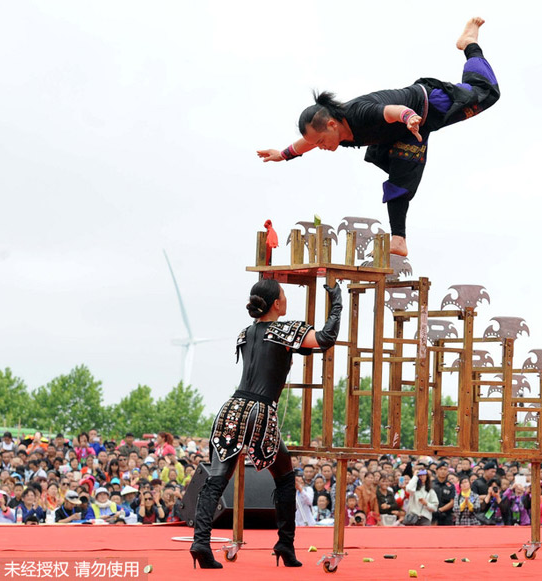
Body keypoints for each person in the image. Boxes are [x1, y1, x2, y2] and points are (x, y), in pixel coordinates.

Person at [257, 17, 500, 257]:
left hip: (428, 105)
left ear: (331, 124)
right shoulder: (335, 132)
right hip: (406, 132)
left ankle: (469, 44)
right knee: (400, 180)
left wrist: (408, 118)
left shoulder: (359, 114)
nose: (320, 147)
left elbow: (391, 111)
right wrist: (284, 154)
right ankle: (398, 240)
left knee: (487, 93)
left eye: (321, 141)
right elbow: (307, 142)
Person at [190, 278, 343, 569]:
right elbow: (325, 338)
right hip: (259, 412)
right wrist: (337, 303)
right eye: (284, 295)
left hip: (232, 408)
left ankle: (201, 541)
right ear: (276, 303)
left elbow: (282, 353)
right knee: (285, 478)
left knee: (216, 480)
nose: (287, 299)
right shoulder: (285, 330)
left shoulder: (245, 333)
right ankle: (285, 543)